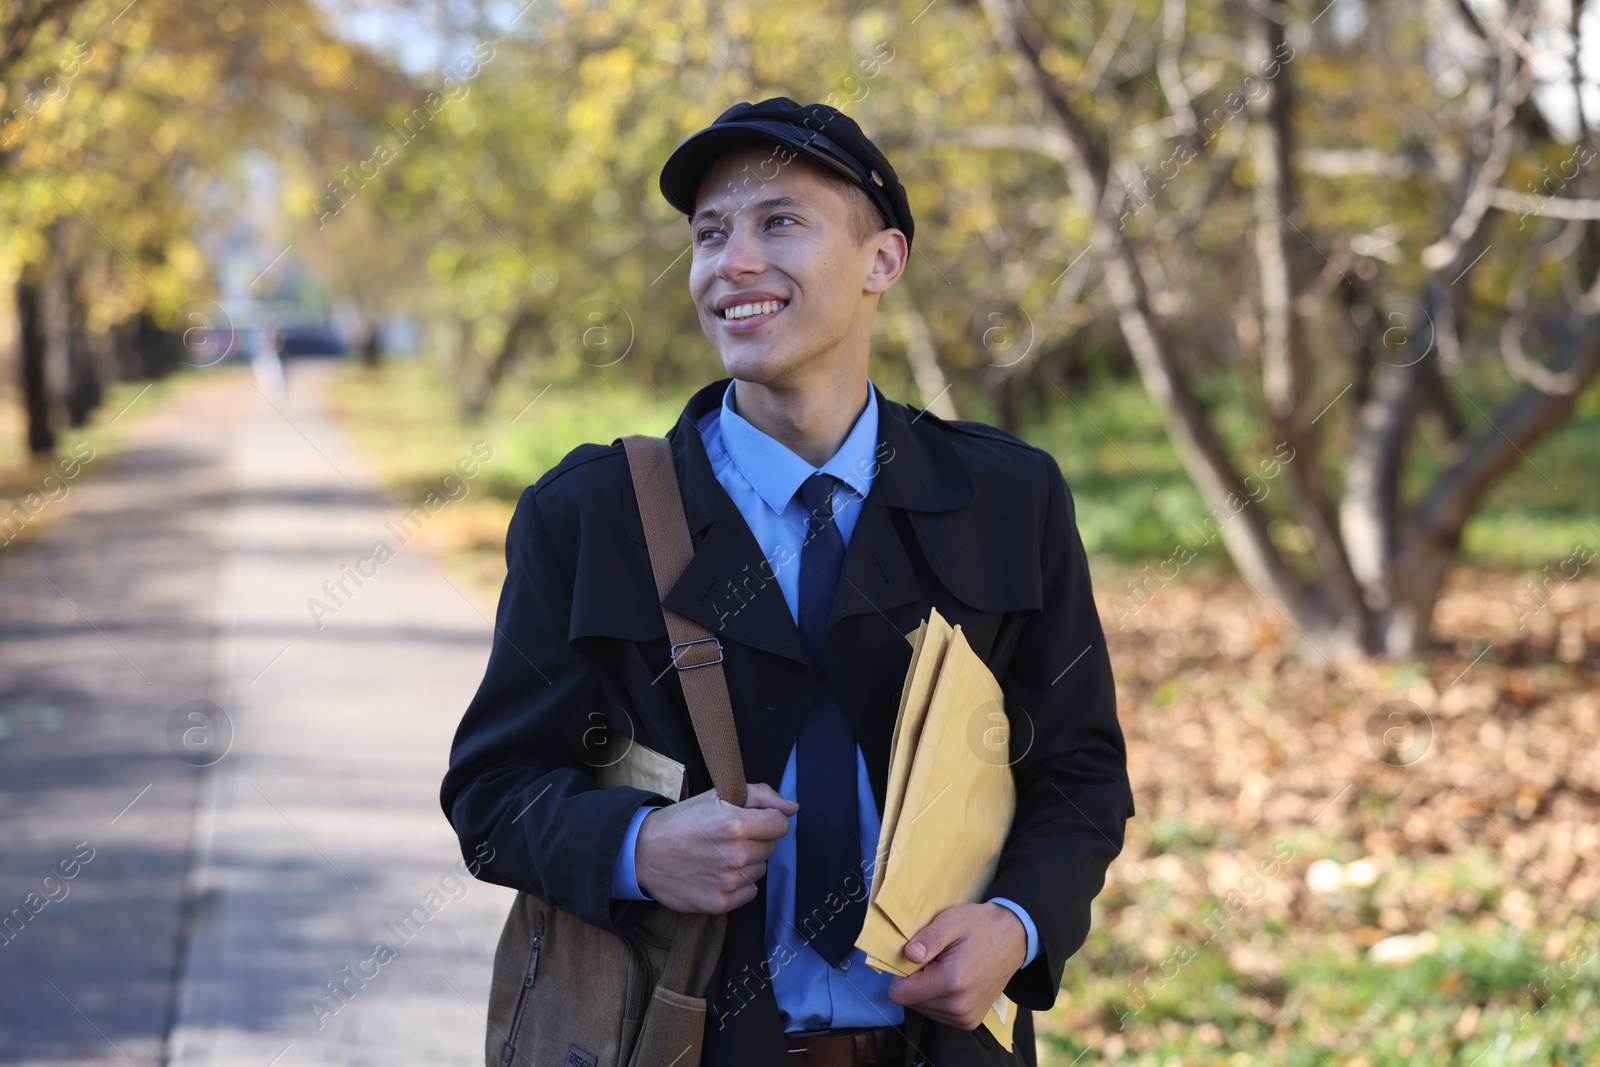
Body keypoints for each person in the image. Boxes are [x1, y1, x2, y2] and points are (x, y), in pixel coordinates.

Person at [440, 97, 1134, 1067]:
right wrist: (636, 846)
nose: (734, 262)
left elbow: (1078, 771)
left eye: (779, 222)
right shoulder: (589, 512)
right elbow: (491, 794)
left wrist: (1015, 924)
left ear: (881, 261)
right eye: (710, 233)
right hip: (680, 1042)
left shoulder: (1008, 496)